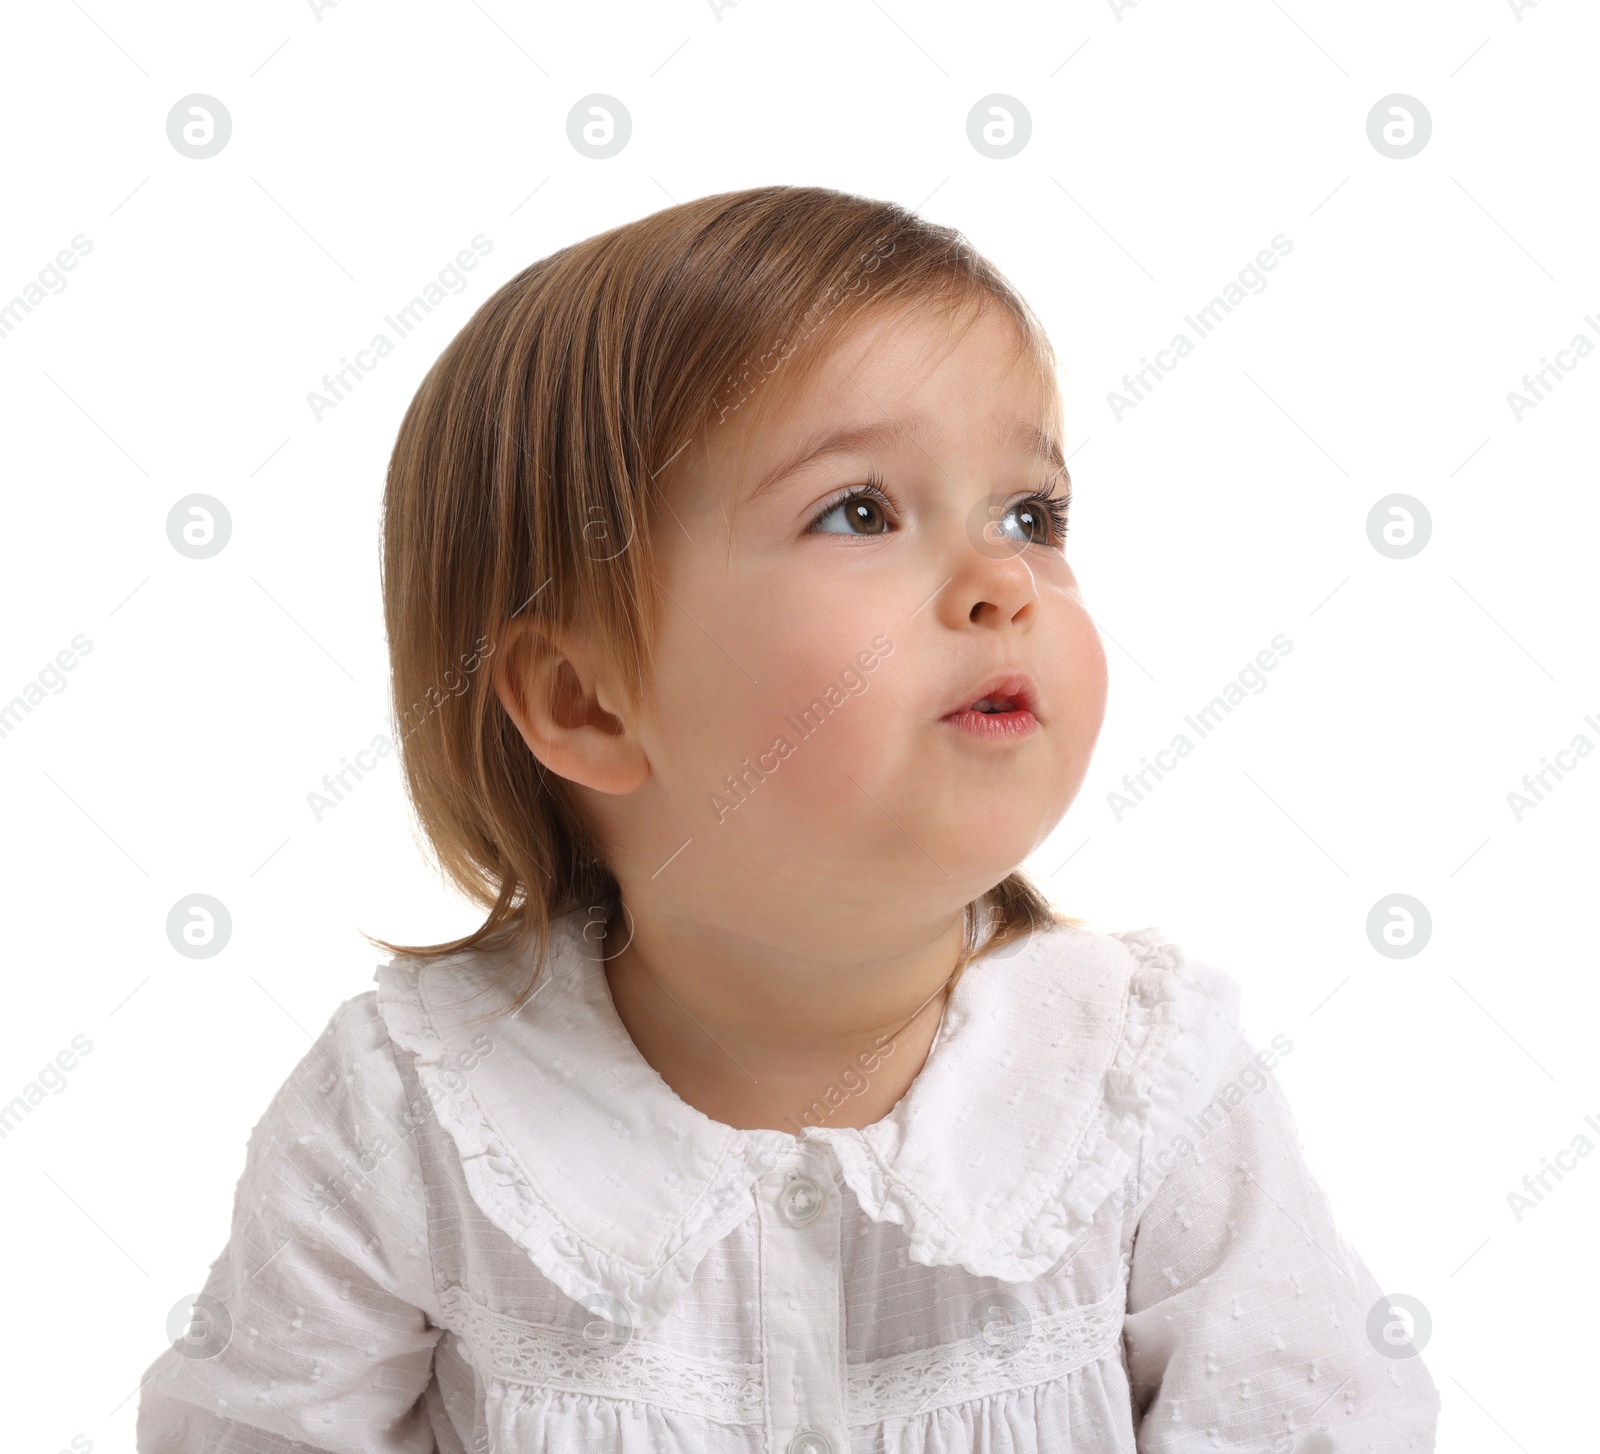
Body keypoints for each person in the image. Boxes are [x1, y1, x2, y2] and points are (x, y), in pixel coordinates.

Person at [136, 184, 1440, 1453]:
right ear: (587, 699)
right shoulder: (415, 1116)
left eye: (1030, 513)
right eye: (859, 509)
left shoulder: (1143, 1080)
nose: (1003, 580)